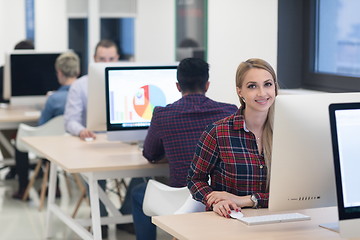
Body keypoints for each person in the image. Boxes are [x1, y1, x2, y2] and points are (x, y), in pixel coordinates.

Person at [131, 58, 238, 240]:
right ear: (207, 85)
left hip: (184, 198)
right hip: (220, 196)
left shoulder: (163, 114)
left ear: (178, 86)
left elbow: (150, 154)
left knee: (138, 191)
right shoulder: (229, 111)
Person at [64, 39, 142, 238]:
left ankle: (127, 214)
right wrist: (81, 130)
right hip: (93, 144)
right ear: (94, 59)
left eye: (111, 58)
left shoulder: (130, 82)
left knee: (145, 171)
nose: (107, 62)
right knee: (94, 177)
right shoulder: (80, 86)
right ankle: (102, 219)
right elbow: (70, 121)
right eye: (102, 59)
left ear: (118, 59)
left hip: (125, 141)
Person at [187, 58, 279, 218]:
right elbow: (195, 180)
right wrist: (215, 201)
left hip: (275, 220)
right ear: (240, 91)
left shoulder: (286, 133)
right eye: (252, 86)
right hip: (229, 219)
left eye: (267, 84)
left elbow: (293, 193)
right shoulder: (218, 132)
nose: (262, 93)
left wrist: (246, 200)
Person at [12, 51, 80, 199]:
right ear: (78, 71)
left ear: (59, 72)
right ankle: (53, 186)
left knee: (21, 141)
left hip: (54, 147)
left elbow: (42, 125)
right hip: (76, 144)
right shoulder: (84, 94)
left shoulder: (54, 99)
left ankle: (23, 188)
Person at [1, 40, 35, 180]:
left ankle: (38, 167)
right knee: (4, 134)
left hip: (32, 120)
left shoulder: (37, 72)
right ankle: (14, 166)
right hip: (9, 117)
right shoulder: (3, 72)